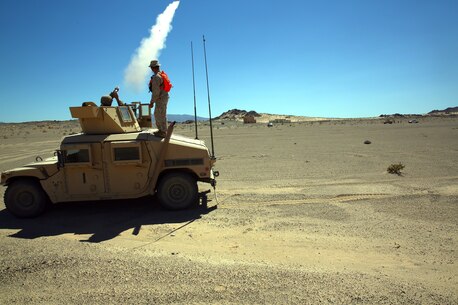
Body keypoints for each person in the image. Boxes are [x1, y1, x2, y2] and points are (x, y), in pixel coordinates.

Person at [148, 60, 169, 138]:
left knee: (158, 114)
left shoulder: (156, 77)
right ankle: (162, 130)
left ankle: (162, 132)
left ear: (153, 68)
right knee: (162, 113)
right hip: (164, 97)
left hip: (160, 98)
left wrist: (151, 102)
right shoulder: (161, 75)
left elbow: (156, 92)